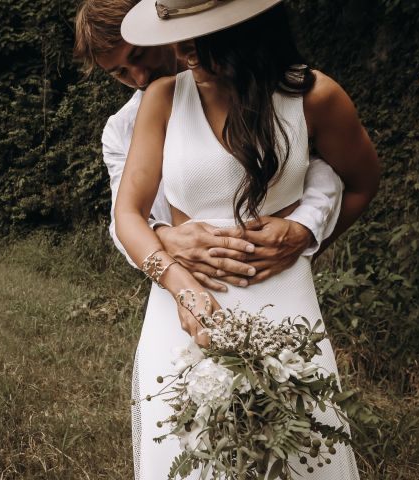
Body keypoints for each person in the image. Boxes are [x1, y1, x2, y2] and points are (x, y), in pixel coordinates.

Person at [114, 0, 380, 478]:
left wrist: (305, 238)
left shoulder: (316, 97)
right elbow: (127, 215)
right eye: (181, 38)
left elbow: (361, 182)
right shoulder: (165, 98)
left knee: (299, 455)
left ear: (249, 28)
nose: (185, 52)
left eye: (201, 38)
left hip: (286, 310)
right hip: (181, 310)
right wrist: (179, 284)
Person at [74, 0, 348, 293]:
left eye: (140, 55)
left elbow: (316, 165)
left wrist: (305, 229)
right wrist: (162, 240)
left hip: (276, 281)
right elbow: (124, 217)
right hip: (184, 285)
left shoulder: (278, 90)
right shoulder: (122, 130)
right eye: (121, 73)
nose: (139, 78)